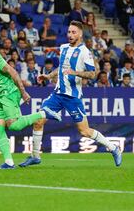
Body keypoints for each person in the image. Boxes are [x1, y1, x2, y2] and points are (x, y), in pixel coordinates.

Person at [20, 21, 122, 168]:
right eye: (69, 32)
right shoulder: (64, 48)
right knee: (38, 121)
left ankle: (113, 148)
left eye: (74, 32)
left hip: (73, 98)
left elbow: (93, 74)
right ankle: (35, 156)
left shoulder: (85, 52)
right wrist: (48, 76)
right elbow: (62, 68)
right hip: (57, 94)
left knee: (84, 131)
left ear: (80, 34)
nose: (70, 35)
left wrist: (76, 72)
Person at [0, 24, 59, 169]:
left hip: (10, 93)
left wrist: (23, 92)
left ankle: (44, 113)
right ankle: (9, 162)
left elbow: (13, 72)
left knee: (14, 126)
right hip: (0, 96)